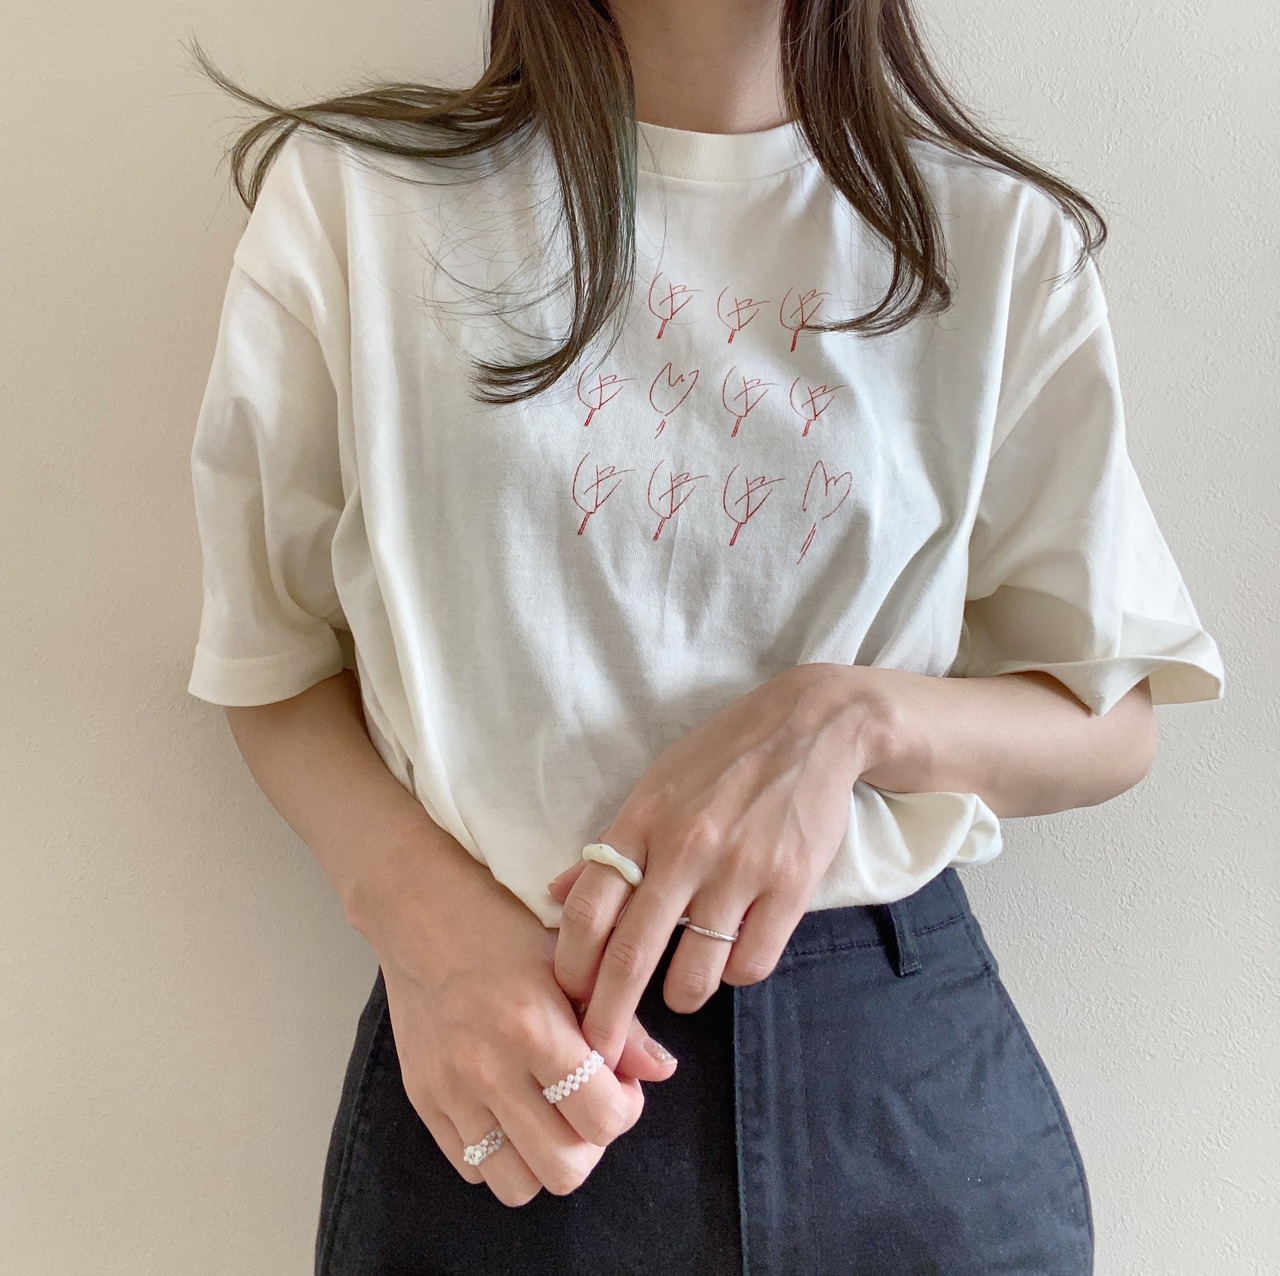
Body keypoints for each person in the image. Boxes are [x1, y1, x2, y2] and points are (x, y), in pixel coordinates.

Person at [183, 1, 1225, 1272]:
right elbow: (270, 660)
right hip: (515, 1056)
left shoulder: (990, 240)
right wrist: (421, 925)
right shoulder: (359, 203)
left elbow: (1110, 717)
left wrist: (844, 720)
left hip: (894, 1076)